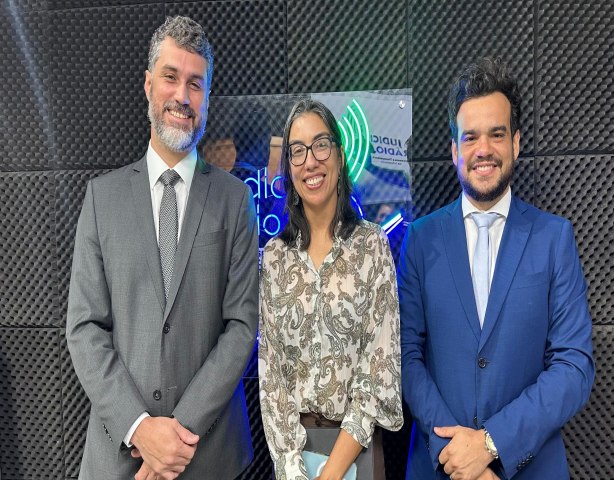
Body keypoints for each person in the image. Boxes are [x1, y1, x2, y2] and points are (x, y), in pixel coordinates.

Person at [66, 16, 258, 480]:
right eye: (171, 77)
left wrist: (177, 434)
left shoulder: (235, 200)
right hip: (119, 458)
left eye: (196, 84)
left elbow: (242, 326)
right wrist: (140, 429)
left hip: (209, 456)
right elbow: (85, 327)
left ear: (207, 97)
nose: (182, 96)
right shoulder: (102, 199)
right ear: (149, 84)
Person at [398, 57, 595, 480]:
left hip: (532, 468)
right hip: (440, 467)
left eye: (497, 134)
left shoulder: (554, 238)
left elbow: (574, 366)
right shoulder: (420, 240)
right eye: (470, 137)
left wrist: (490, 444)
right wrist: (456, 454)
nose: (483, 149)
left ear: (516, 143)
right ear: (454, 150)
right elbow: (405, 357)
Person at [258, 99, 404, 480]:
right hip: (292, 460)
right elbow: (272, 378)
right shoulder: (275, 257)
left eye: (321, 145)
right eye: (298, 151)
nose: (310, 161)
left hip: (356, 451)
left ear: (339, 155)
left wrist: (330, 473)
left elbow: (380, 371)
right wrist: (293, 470)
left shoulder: (372, 245)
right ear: (289, 168)